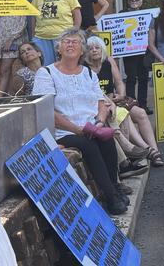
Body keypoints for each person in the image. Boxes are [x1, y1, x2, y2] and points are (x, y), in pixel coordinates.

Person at [32, 28, 128, 215]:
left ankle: (114, 186)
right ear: (58, 48)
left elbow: (101, 102)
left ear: (81, 50)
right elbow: (46, 112)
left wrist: (99, 122)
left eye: (75, 41)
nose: (70, 44)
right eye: (66, 41)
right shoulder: (46, 73)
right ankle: (111, 197)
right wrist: (77, 129)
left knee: (106, 139)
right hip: (63, 131)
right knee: (88, 144)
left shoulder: (88, 74)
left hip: (90, 126)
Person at [86, 36, 164, 167]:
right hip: (99, 104)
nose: (94, 50)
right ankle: (143, 151)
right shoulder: (84, 68)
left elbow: (119, 83)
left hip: (115, 99)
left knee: (141, 114)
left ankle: (155, 152)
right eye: (90, 48)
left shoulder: (108, 61)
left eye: (97, 47)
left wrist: (121, 94)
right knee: (121, 115)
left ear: (102, 49)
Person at [30, 0, 81, 66]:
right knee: (45, 68)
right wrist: (33, 35)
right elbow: (33, 16)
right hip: (41, 38)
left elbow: (77, 14)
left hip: (63, 38)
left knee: (64, 67)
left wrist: (74, 33)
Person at [120, 0, 151, 114]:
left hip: (144, 52)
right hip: (129, 53)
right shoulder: (122, 14)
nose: (134, 0)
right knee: (131, 78)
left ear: (141, 2)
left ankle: (143, 105)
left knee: (143, 78)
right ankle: (131, 105)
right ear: (128, 1)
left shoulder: (147, 15)